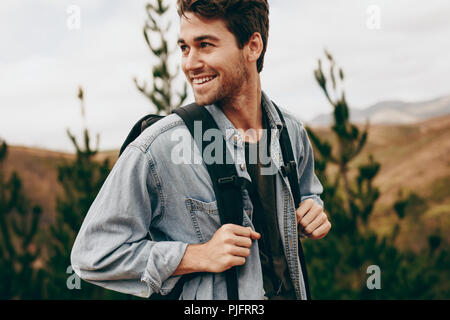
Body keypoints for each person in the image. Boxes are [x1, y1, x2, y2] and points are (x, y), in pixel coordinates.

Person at [71, 0, 331, 300]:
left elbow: (308, 194)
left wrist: (313, 210)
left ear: (252, 46)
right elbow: (93, 254)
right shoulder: (157, 148)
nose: (189, 63)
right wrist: (197, 256)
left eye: (205, 45)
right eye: (184, 48)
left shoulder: (291, 132)